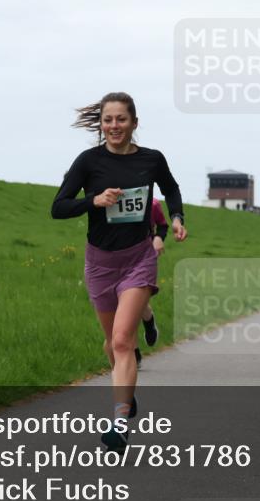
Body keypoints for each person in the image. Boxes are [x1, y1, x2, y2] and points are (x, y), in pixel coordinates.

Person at [51, 92, 187, 452]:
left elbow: (171, 188)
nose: (114, 126)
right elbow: (58, 207)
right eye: (108, 120)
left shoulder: (151, 160)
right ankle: (125, 394)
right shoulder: (88, 161)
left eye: (121, 119)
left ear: (134, 123)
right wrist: (92, 201)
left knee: (125, 341)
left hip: (138, 258)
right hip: (99, 263)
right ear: (101, 124)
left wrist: (176, 218)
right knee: (111, 343)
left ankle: (119, 423)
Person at [134, 199, 166, 367]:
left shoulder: (152, 204)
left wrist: (159, 238)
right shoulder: (109, 197)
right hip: (115, 257)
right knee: (122, 306)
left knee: (137, 303)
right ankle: (133, 353)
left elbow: (162, 225)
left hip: (144, 257)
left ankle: (149, 321)